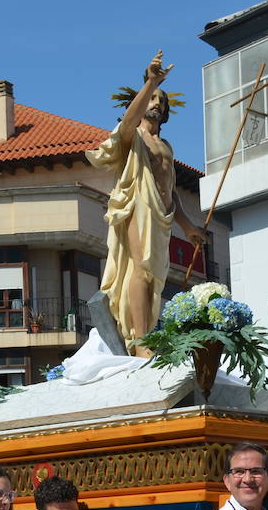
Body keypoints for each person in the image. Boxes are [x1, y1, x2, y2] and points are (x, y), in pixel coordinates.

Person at [86, 49, 205, 352]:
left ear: (166, 112)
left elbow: (172, 189)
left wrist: (188, 227)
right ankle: (140, 341)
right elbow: (127, 123)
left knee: (154, 279)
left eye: (161, 101)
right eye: (153, 98)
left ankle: (147, 332)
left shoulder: (165, 146)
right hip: (138, 205)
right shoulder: (132, 137)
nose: (156, 103)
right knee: (140, 269)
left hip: (163, 214)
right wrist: (151, 83)